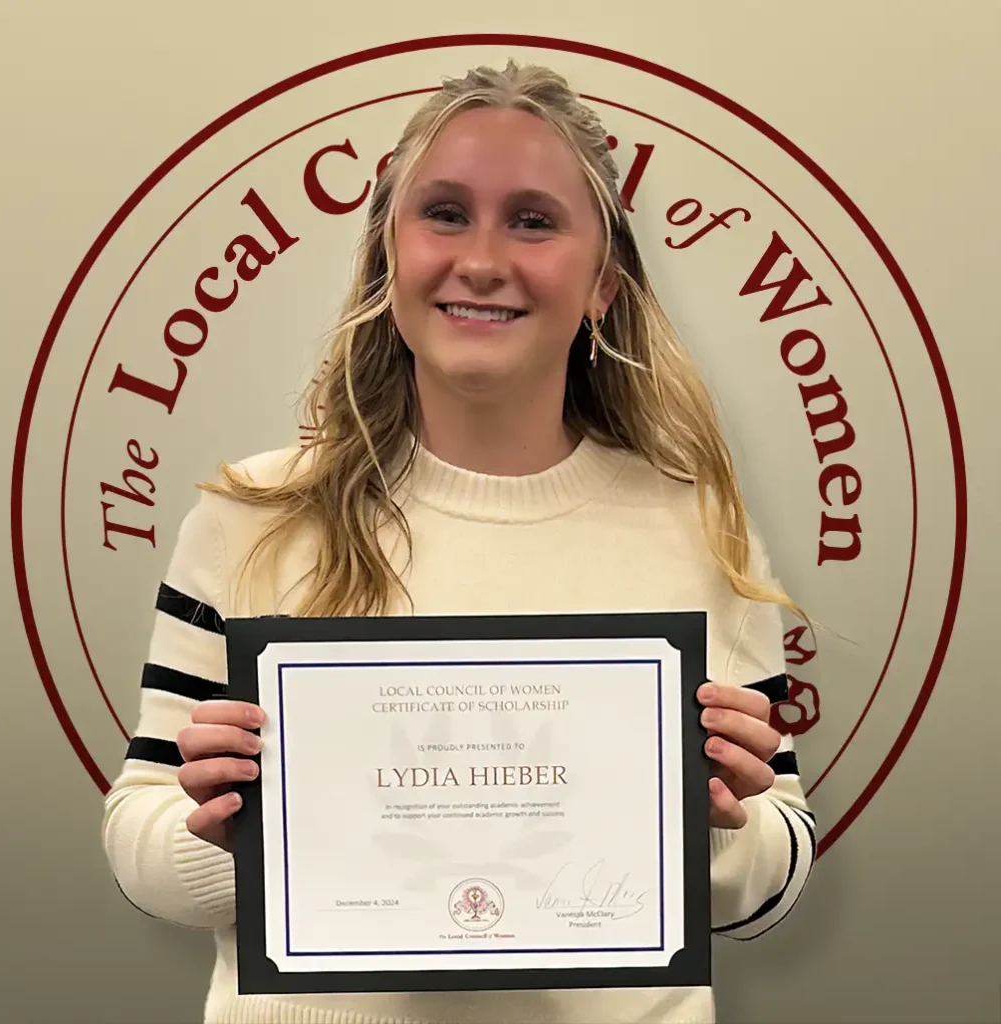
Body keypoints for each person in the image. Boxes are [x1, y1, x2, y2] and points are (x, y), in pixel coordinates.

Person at [101, 60, 816, 1024]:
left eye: (533, 220)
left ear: (603, 283)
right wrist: (228, 832)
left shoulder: (698, 523)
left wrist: (720, 829)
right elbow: (137, 844)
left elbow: (775, 875)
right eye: (444, 213)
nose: (482, 259)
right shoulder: (251, 518)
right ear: (389, 257)